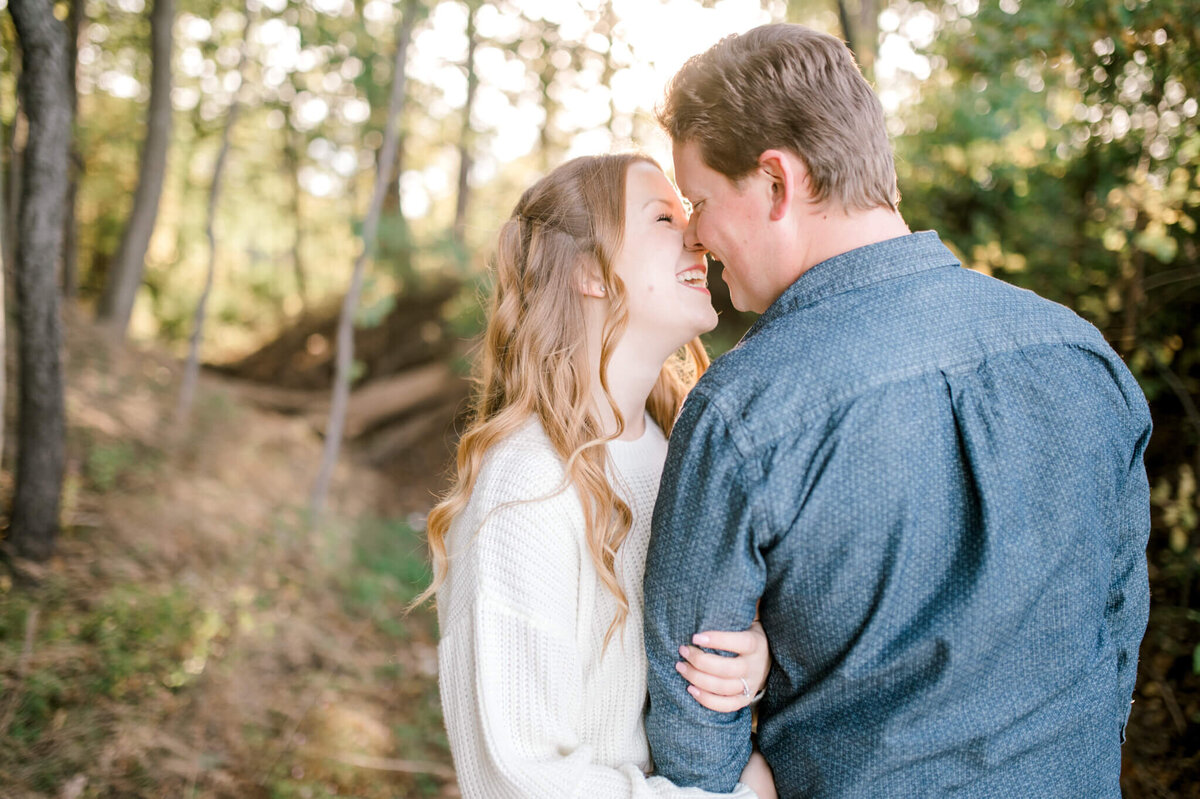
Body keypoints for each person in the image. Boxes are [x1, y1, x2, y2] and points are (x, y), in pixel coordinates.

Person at [642, 23, 1152, 799]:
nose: (696, 234)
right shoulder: (1082, 356)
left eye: (701, 200)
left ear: (777, 183)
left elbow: (692, 733)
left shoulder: (743, 410)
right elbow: (1117, 633)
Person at [420, 153, 777, 798]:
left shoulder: (680, 449)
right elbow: (521, 778)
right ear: (588, 270)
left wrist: (750, 664)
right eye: (664, 217)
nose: (698, 235)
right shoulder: (527, 484)